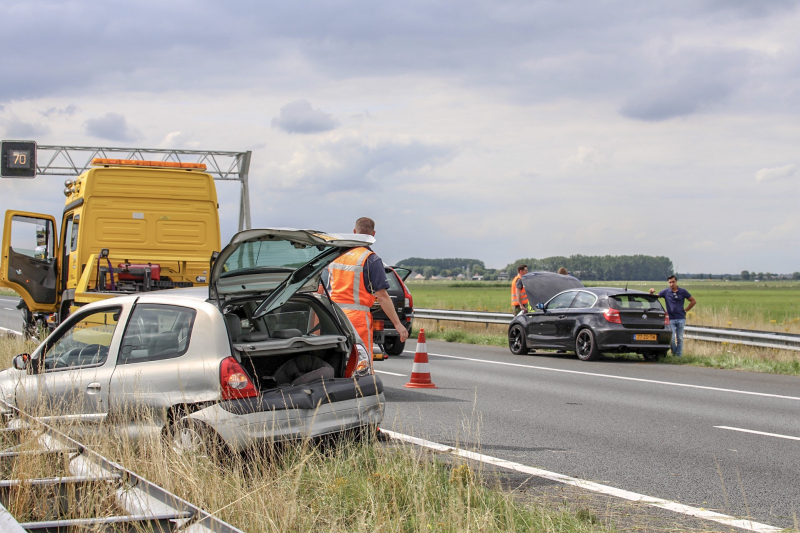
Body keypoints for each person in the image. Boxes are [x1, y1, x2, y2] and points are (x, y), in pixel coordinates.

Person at [327, 217, 408, 362]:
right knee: (361, 362)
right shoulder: (371, 259)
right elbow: (382, 297)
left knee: (336, 360)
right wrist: (397, 324)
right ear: (373, 234)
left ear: (354, 231)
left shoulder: (336, 256)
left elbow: (322, 289)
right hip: (357, 319)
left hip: (334, 316)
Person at [649, 275, 696, 357]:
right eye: (670, 282)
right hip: (670, 319)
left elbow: (693, 301)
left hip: (681, 318)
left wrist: (685, 310)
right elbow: (654, 298)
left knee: (680, 338)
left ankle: (678, 356)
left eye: (673, 282)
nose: (671, 284)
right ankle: (674, 353)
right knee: (672, 339)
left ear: (676, 282)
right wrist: (651, 292)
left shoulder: (682, 291)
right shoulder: (665, 292)